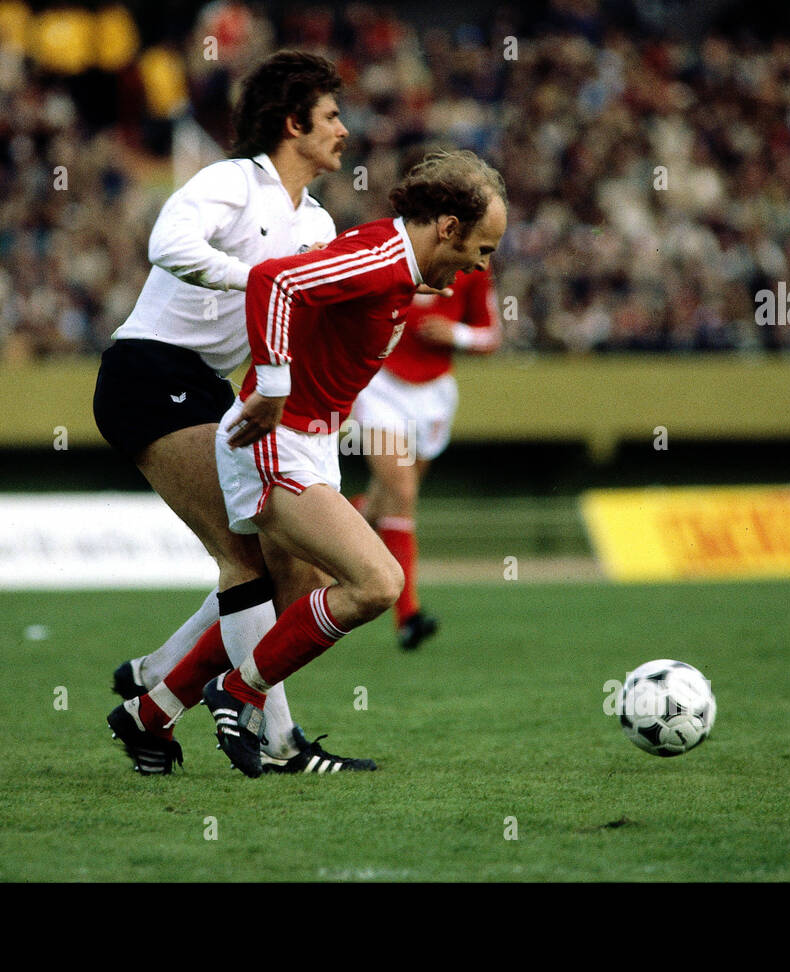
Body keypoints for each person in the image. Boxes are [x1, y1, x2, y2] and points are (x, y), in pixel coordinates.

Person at [110, 150, 507, 777]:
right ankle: (240, 696)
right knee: (375, 583)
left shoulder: (399, 266)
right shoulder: (381, 257)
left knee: (303, 592)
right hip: (278, 440)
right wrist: (270, 383)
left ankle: (154, 708)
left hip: (313, 443)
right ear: (449, 228)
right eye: (481, 248)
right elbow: (275, 281)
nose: (483, 264)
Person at [96, 50, 374, 774]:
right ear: (292, 123)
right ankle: (276, 740)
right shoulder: (231, 182)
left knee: (286, 566)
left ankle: (152, 697)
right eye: (332, 116)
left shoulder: (316, 226)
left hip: (214, 388)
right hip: (148, 372)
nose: (345, 129)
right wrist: (258, 280)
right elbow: (167, 244)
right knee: (247, 560)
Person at [352, 147, 502, 649]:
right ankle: (408, 615)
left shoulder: (469, 265)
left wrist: (453, 336)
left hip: (434, 394)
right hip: (381, 387)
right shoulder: (387, 249)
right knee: (403, 495)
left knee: (381, 505)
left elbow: (489, 336)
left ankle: (310, 545)